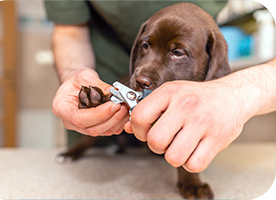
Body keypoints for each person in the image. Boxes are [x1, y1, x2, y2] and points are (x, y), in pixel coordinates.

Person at [45, 1, 276, 173]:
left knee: (181, 143)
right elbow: (69, 30)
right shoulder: (137, 76)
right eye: (145, 46)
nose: (144, 74)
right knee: (99, 133)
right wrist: (74, 75)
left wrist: (233, 94)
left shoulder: (209, 45)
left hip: (192, 95)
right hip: (107, 76)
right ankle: (82, 145)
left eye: (177, 52)